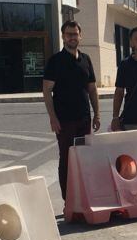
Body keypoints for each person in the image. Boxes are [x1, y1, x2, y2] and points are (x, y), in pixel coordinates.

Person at [42, 20, 99, 198]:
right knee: (67, 160)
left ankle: (83, 197)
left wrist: (96, 114)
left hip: (84, 119)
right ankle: (69, 200)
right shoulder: (55, 61)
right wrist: (53, 118)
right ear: (63, 36)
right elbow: (46, 91)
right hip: (64, 121)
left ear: (80, 36)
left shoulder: (86, 59)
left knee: (84, 158)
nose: (72, 37)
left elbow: (92, 89)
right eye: (68, 34)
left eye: (75, 34)